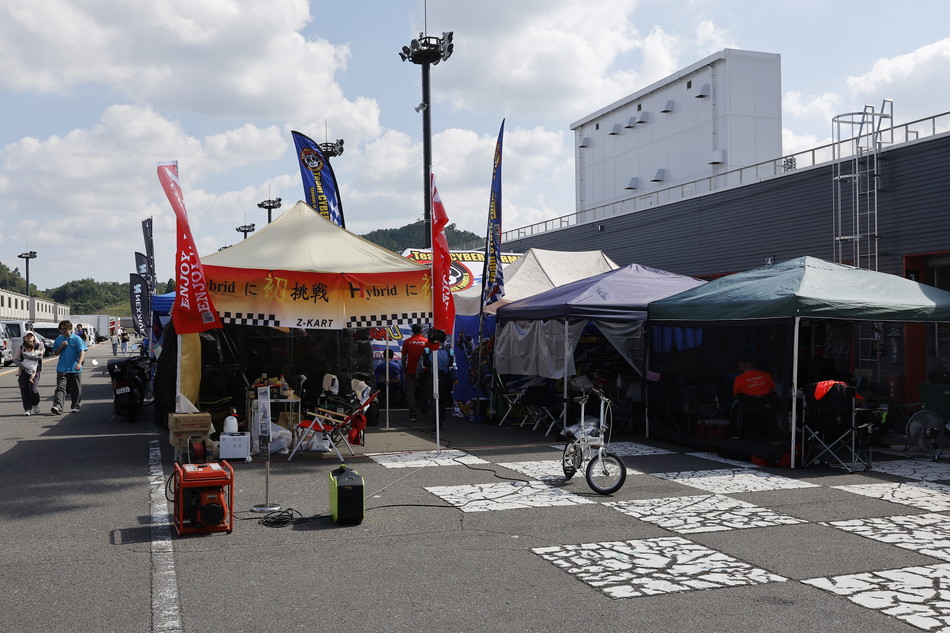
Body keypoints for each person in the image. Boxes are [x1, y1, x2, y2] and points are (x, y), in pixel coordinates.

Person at [51, 320, 87, 414]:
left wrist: (79, 363)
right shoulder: (59, 339)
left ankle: (75, 405)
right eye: (61, 329)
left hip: (74, 368)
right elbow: (56, 353)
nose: (62, 331)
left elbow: (82, 351)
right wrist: (62, 346)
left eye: (64, 329)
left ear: (70, 328)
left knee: (75, 388)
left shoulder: (77, 339)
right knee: (60, 387)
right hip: (62, 368)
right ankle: (58, 406)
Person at [418, 342, 458, 427]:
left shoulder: (427, 350)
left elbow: (423, 365)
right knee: (442, 401)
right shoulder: (449, 351)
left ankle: (435, 422)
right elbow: (453, 366)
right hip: (444, 379)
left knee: (433, 400)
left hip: (432, 377)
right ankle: (440, 421)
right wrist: (455, 378)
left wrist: (418, 374)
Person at [401, 324, 429, 423]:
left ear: (412, 331)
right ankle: (424, 410)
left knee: (410, 392)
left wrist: (403, 367)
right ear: (421, 331)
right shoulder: (426, 341)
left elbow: (404, 356)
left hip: (411, 370)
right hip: (423, 371)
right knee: (424, 390)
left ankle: (412, 413)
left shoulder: (407, 341)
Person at [15, 332, 44, 416]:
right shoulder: (21, 347)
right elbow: (15, 359)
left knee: (33, 389)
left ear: (34, 337)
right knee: (24, 389)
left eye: (31, 336)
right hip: (24, 371)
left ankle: (35, 403)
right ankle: (27, 409)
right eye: (27, 336)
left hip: (34, 371)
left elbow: (41, 356)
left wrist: (28, 356)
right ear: (24, 338)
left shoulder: (38, 346)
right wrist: (22, 366)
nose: (29, 337)